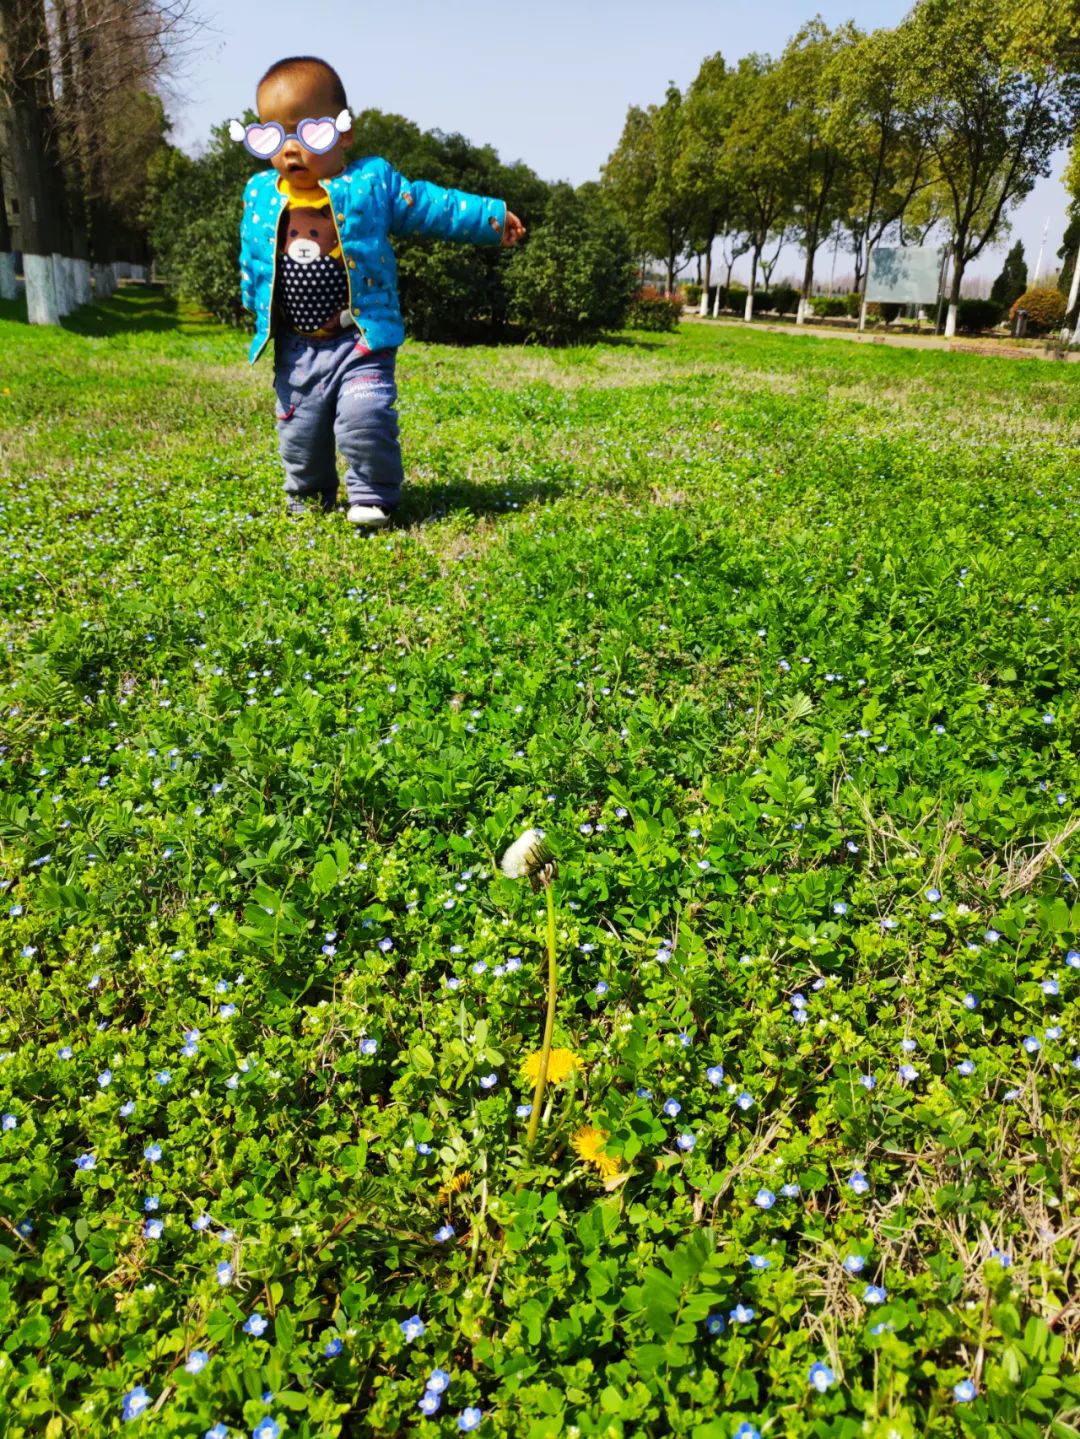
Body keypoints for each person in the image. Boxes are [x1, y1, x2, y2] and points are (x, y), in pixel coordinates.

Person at [236, 55, 525, 527]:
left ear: (344, 132)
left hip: (359, 338)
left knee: (364, 413)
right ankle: (309, 494)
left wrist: (490, 219)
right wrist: (253, 302)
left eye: (308, 133)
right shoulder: (261, 193)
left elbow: (434, 206)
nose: (291, 150)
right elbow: (250, 256)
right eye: (273, 135)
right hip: (296, 347)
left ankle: (372, 494)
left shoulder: (370, 184)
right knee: (300, 432)